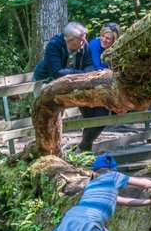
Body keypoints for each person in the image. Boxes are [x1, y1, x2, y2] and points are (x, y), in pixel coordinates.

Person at [32, 20, 109, 152]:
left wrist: (81, 75)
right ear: (71, 40)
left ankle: (83, 148)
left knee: (100, 113)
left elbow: (90, 66)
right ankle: (50, 152)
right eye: (81, 39)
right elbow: (57, 72)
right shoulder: (54, 45)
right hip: (47, 84)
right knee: (50, 121)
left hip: (77, 85)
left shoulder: (84, 45)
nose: (84, 41)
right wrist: (82, 74)